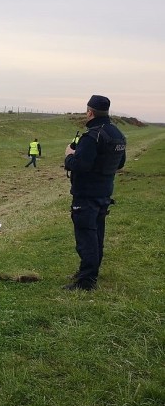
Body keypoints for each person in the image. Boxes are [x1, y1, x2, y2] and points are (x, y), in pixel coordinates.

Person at [63, 95, 126, 291]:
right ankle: (89, 271)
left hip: (86, 194)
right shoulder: (117, 134)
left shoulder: (92, 137)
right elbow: (120, 163)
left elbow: (80, 166)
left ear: (90, 112)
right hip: (104, 193)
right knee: (97, 234)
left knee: (86, 237)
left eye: (86, 111)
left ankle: (86, 281)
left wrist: (69, 156)